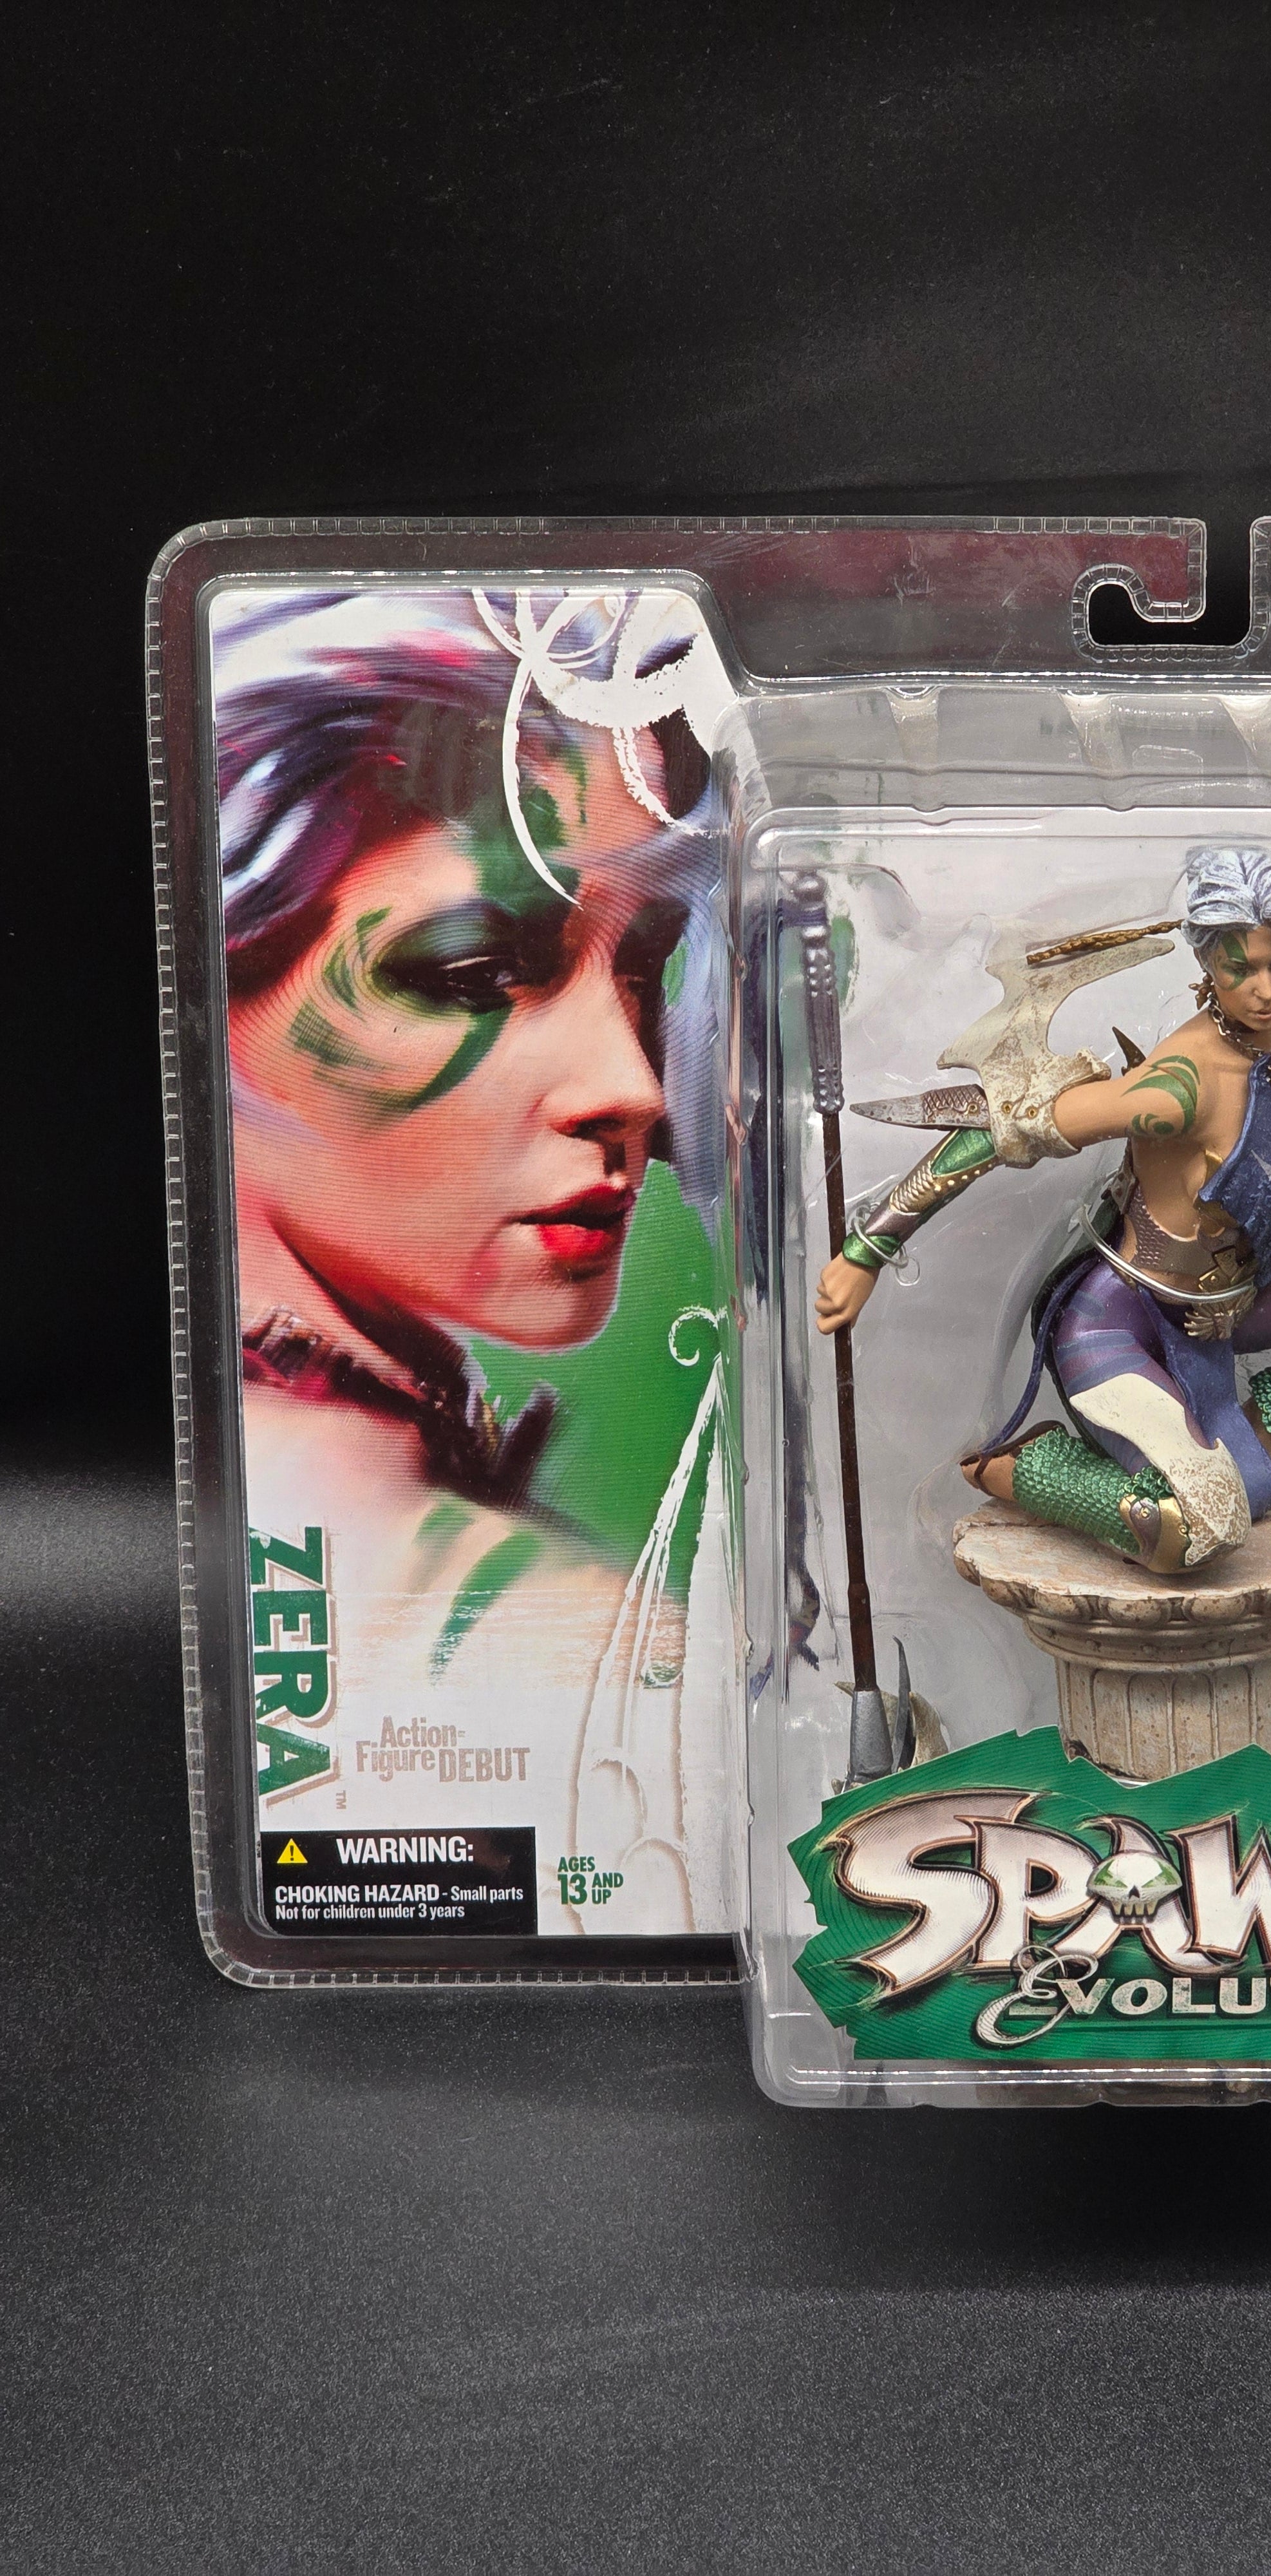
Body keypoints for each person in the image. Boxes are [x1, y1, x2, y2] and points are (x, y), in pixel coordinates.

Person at [216, 586, 731, 1929]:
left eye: (641, 973)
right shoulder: (565, 1647)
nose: (630, 1086)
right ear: (215, 991)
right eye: (472, 971)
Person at [814, 844, 1271, 1574]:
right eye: (1240, 969)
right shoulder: (1176, 1089)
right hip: (1121, 1322)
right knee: (1198, 1525)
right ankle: (1027, 1468)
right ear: (1207, 963)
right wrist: (866, 1252)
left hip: (1245, 1299)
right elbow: (1008, 1123)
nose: (1264, 990)